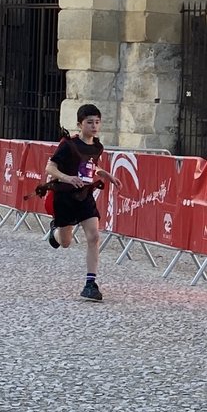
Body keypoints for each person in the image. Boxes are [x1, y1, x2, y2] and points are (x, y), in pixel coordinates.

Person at [43, 104, 120, 301]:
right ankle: (55, 232)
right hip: (65, 197)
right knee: (66, 242)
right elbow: (50, 168)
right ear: (80, 124)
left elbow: (89, 166)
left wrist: (105, 174)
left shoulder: (97, 146)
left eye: (97, 122)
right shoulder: (69, 145)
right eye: (89, 122)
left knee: (94, 237)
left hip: (85, 195)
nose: (94, 126)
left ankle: (90, 284)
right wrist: (67, 178)